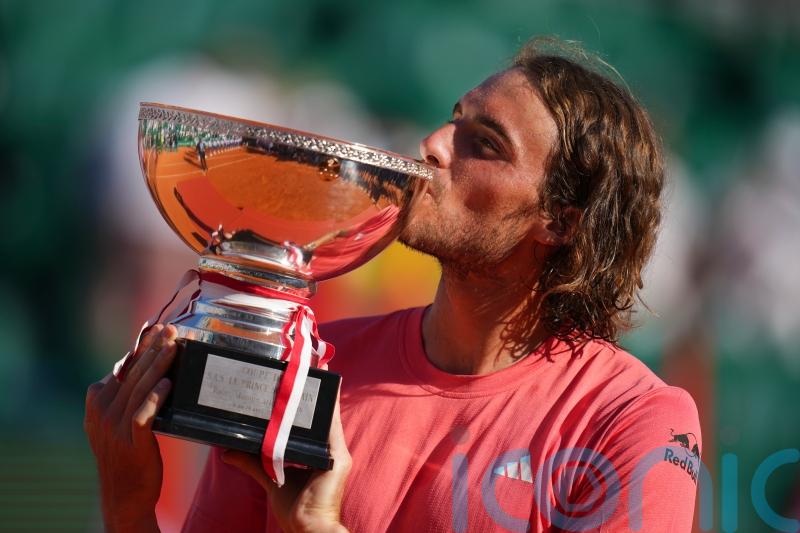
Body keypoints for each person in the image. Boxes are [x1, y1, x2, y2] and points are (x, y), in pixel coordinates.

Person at [85, 38, 702, 532]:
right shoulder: (308, 366)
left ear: (561, 220)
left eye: (483, 145)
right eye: (454, 120)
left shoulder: (631, 419)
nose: (433, 145)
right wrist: (130, 509)